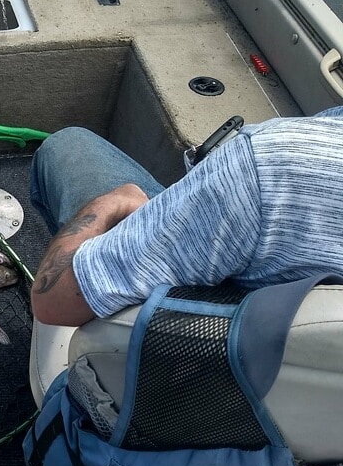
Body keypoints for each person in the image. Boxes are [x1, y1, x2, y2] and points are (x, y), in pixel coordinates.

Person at [29, 106, 343, 328]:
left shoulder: (263, 167)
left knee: (68, 145)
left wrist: (113, 202)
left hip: (172, 358)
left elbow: (52, 302)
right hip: (275, 396)